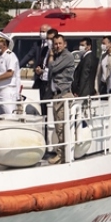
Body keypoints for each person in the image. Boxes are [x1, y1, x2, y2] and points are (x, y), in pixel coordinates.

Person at [43, 34, 76, 164]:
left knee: (62, 127)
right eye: (55, 44)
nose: (57, 46)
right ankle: (62, 154)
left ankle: (62, 156)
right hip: (56, 96)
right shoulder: (58, 56)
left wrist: (51, 56)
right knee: (58, 127)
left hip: (64, 95)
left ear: (65, 44)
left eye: (59, 43)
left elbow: (53, 67)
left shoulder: (67, 56)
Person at [19, 24, 56, 100]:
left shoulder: (54, 47)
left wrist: (43, 70)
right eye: (40, 31)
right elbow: (29, 56)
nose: (42, 33)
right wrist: (17, 66)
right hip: (39, 77)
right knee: (36, 98)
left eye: (44, 31)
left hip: (49, 79)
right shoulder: (37, 44)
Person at [0, 33, 21, 115]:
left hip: (7, 91)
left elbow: (10, 73)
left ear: (4, 44)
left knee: (9, 116)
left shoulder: (10, 55)